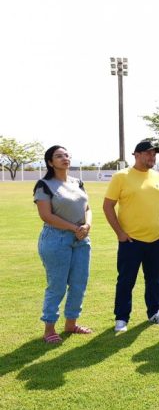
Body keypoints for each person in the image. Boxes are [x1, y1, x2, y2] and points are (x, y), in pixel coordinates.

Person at [103, 140, 159, 332]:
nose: (152, 157)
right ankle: (122, 318)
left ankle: (154, 312)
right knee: (126, 280)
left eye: (154, 154)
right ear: (136, 155)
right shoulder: (121, 177)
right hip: (131, 240)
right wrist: (120, 233)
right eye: (148, 153)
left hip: (157, 239)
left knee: (154, 279)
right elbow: (108, 206)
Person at [34, 145, 93, 343]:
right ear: (50, 162)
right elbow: (46, 215)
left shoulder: (78, 182)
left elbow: (88, 208)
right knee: (57, 285)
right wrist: (73, 228)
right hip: (56, 239)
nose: (64, 158)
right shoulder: (44, 185)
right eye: (58, 156)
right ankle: (49, 329)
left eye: (66, 155)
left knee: (78, 284)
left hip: (81, 239)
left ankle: (71, 324)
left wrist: (87, 225)